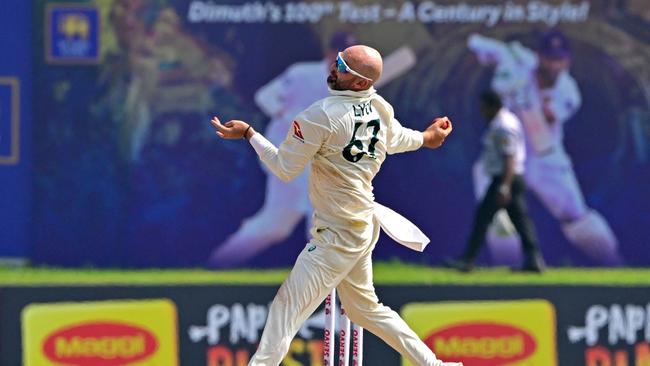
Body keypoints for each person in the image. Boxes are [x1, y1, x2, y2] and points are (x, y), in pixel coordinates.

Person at [209, 45, 462, 366]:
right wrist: (427, 137)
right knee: (364, 309)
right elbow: (398, 139)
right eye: (336, 61)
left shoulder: (321, 115)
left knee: (286, 308)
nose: (333, 69)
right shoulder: (379, 107)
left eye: (341, 67)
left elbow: (284, 168)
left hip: (339, 233)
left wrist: (250, 134)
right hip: (361, 225)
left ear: (358, 83)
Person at [467, 29, 622, 265]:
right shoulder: (517, 59)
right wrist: (497, 64)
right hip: (504, 151)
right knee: (496, 212)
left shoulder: (568, 91)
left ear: (567, 61)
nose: (554, 65)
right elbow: (475, 43)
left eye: (559, 59)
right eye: (549, 58)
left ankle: (612, 262)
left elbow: (546, 117)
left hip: (544, 157)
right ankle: (505, 268)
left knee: (574, 215)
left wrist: (530, 94)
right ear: (539, 56)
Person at [208, 31, 356, 267]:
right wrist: (284, 113)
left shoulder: (350, 88)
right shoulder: (301, 74)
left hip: (317, 159)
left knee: (276, 226)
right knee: (318, 215)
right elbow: (265, 96)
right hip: (285, 155)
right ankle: (323, 278)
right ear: (330, 53)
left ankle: (218, 262)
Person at [445, 91, 545, 273]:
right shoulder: (502, 121)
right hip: (509, 178)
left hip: (506, 178)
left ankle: (467, 260)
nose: (482, 111)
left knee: (483, 218)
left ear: (493, 106)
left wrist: (504, 186)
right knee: (521, 221)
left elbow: (510, 157)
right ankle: (534, 260)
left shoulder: (504, 125)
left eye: (484, 107)